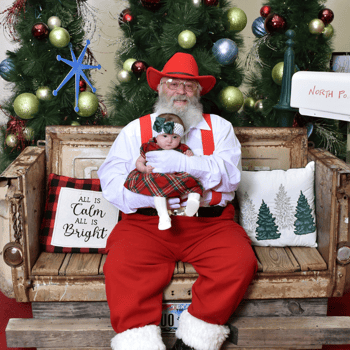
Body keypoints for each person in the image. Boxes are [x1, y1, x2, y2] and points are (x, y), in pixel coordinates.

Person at [98, 52, 258, 350]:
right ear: (160, 88)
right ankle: (139, 343)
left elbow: (230, 177)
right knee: (121, 265)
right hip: (146, 223)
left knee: (239, 262)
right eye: (173, 84)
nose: (181, 92)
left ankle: (195, 340)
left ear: (198, 93)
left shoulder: (219, 129)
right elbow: (110, 181)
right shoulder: (136, 129)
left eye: (189, 87)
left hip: (210, 224)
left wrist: (184, 165)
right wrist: (153, 189)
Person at [124, 113, 203, 230]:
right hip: (156, 177)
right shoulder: (149, 147)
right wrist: (145, 169)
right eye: (165, 136)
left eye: (175, 137)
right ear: (157, 136)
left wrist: (189, 156)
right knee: (158, 191)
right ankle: (163, 216)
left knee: (195, 183)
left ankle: (193, 201)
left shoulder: (182, 148)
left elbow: (192, 163)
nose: (170, 141)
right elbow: (139, 162)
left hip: (176, 177)